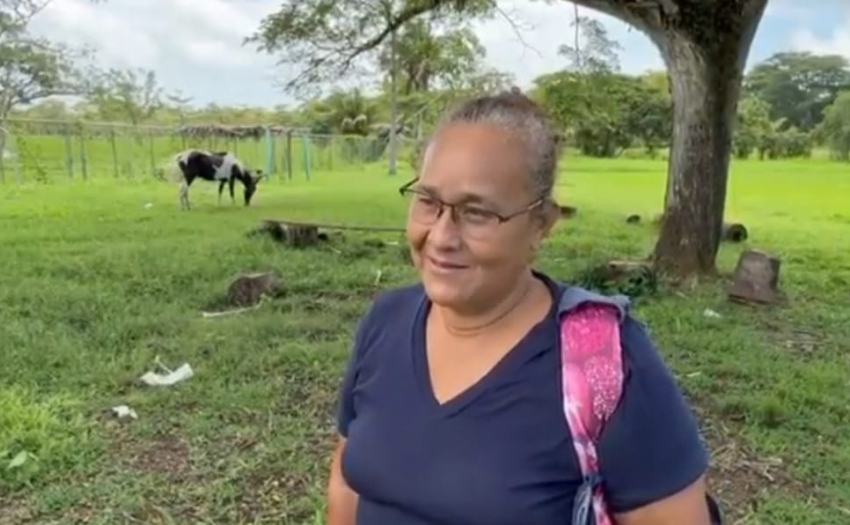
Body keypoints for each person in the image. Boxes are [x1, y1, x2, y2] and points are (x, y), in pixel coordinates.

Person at [326, 90, 715, 525]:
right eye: (428, 201)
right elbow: (346, 480)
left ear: (541, 224)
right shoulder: (385, 322)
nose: (440, 237)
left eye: (477, 213)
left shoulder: (606, 361)